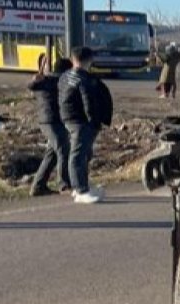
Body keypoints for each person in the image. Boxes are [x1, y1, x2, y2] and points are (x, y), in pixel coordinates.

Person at [59, 47, 113, 204]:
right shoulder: (84, 79)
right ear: (89, 61)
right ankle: (80, 189)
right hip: (81, 121)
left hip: (68, 118)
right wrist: (94, 121)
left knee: (83, 153)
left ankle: (82, 185)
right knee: (78, 155)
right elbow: (88, 102)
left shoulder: (64, 76)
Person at [28, 57, 73, 197]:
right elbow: (32, 86)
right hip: (50, 121)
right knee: (63, 149)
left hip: (54, 121)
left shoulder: (52, 80)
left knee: (52, 154)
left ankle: (38, 186)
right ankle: (64, 185)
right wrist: (35, 79)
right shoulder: (50, 81)